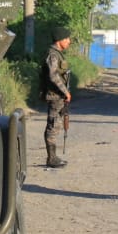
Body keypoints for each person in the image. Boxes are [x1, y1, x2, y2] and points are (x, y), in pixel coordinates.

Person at [40, 26, 73, 167]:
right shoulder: (53, 55)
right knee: (53, 126)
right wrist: (65, 92)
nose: (69, 41)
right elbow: (53, 76)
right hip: (55, 95)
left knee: (56, 125)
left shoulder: (57, 53)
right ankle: (51, 158)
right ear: (60, 40)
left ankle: (53, 157)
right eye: (67, 39)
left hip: (58, 95)